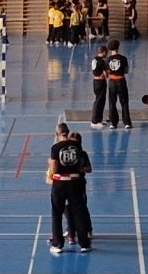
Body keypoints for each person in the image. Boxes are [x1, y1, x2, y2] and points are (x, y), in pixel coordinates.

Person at [47, 125, 92, 254]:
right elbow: (81, 163)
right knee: (78, 212)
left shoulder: (55, 148)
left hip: (60, 183)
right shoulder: (77, 145)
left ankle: (58, 244)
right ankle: (84, 243)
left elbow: (54, 169)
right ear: (68, 132)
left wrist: (51, 163)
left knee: (57, 213)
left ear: (57, 134)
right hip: (75, 182)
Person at [101, 41, 132, 129]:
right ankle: (127, 123)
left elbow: (106, 73)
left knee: (112, 102)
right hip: (121, 81)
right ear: (118, 47)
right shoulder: (123, 58)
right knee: (124, 102)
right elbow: (126, 71)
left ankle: (113, 123)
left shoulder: (107, 60)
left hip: (112, 82)